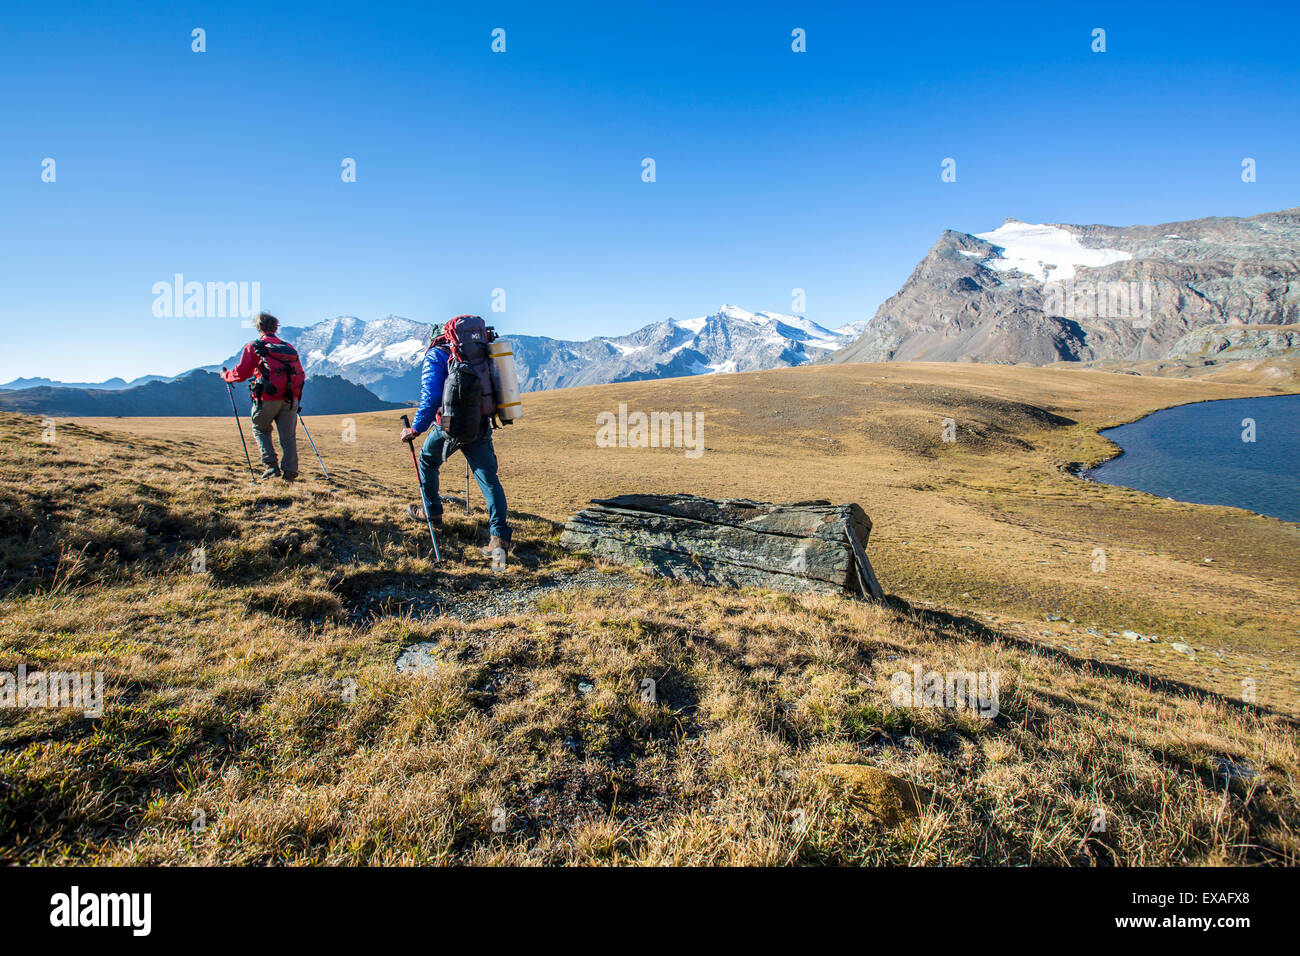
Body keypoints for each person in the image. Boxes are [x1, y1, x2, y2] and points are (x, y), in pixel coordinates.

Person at [399, 317, 512, 558]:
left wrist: (415, 429)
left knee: (428, 461)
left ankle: (432, 514)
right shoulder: (480, 351)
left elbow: (430, 398)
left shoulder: (436, 355)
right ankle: (499, 538)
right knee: (489, 479)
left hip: (448, 425)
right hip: (480, 423)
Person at [222, 313, 305, 481]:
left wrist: (226, 376)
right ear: (276, 327)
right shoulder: (288, 347)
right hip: (290, 398)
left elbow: (242, 373)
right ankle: (290, 472)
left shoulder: (255, 346)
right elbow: (300, 374)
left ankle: (271, 467)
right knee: (288, 436)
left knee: (260, 429)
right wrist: (297, 399)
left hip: (266, 397)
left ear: (258, 327)